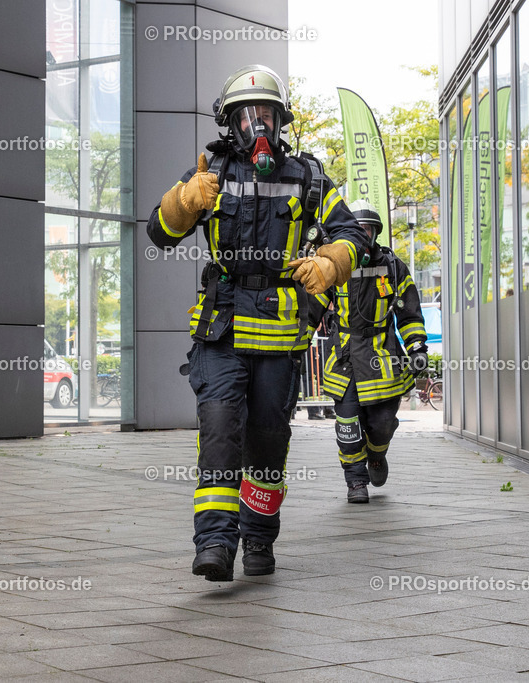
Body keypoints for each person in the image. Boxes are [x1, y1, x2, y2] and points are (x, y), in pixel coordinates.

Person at [145, 65, 366, 583]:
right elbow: (158, 233)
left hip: (279, 337)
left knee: (267, 441)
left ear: (279, 120)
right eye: (248, 115)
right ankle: (216, 543)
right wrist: (183, 202)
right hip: (220, 331)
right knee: (220, 431)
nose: (257, 125)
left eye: (265, 114)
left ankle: (260, 540)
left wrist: (332, 260)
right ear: (231, 122)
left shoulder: (307, 176)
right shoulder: (209, 171)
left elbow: (351, 231)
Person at [308, 200, 428, 503]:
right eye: (357, 230)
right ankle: (356, 482)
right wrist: (294, 343)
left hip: (383, 355)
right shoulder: (335, 265)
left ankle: (376, 456)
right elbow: (312, 309)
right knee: (348, 424)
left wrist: (417, 347)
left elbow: (409, 312)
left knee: (382, 422)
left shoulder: (393, 266)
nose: (362, 235)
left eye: (367, 230)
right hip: (345, 357)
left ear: (375, 233)